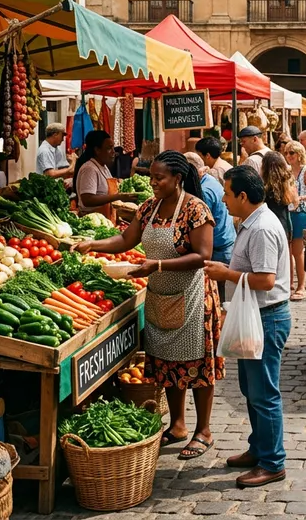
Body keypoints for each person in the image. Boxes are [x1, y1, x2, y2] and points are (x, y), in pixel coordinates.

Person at [78, 150, 223, 460]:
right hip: (160, 296)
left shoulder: (196, 210)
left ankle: (204, 431)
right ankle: (179, 425)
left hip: (193, 296)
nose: (153, 182)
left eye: (159, 178)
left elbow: (202, 256)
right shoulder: (149, 208)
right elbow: (125, 240)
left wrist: (156, 265)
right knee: (169, 363)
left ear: (177, 179)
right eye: (151, 177)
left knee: (197, 366)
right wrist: (93, 244)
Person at [204, 166, 290, 488]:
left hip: (267, 317)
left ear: (242, 196)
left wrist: (226, 274)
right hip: (254, 315)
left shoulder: (262, 228)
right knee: (250, 390)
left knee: (264, 393)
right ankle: (259, 449)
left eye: (227, 194)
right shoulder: (251, 222)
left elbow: (266, 281)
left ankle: (272, 462)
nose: (223, 200)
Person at [185, 152, 236, 302]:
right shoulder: (210, 181)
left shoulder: (204, 191)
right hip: (225, 244)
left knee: (216, 298)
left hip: (218, 249)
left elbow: (200, 226)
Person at [73, 131, 139, 215]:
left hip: (107, 214)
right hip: (93, 217)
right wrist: (119, 196)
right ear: (97, 150)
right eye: (109, 148)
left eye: (113, 148)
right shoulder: (89, 169)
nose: (113, 152)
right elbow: (87, 200)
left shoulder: (103, 166)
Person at [285, 142, 306, 300]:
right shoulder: (286, 171)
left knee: (298, 252)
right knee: (287, 251)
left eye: (291, 153)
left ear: (299, 154)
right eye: (286, 153)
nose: (288, 156)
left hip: (300, 213)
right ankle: (289, 283)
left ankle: (301, 286)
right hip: (286, 212)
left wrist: (301, 197)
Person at [260, 151, 296, 240]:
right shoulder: (287, 184)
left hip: (269, 228)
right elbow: (294, 204)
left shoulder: (264, 189)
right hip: (285, 225)